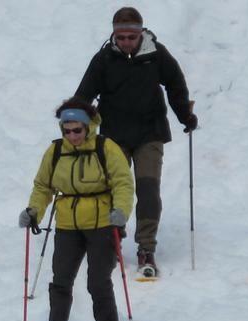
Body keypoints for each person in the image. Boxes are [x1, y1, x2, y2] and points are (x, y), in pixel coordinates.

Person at [75, 6, 198, 276]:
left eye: (131, 37)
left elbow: (175, 85)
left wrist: (185, 115)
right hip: (114, 135)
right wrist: (74, 119)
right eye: (121, 37)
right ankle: (113, 238)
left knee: (148, 189)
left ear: (141, 33)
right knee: (114, 189)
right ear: (114, 35)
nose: (126, 42)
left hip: (149, 133)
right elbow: (84, 94)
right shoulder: (104, 59)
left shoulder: (156, 55)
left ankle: (146, 247)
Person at [19, 97, 134, 321]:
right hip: (67, 225)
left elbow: (123, 183)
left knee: (98, 282)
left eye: (77, 130)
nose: (72, 136)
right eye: (67, 130)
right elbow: (43, 186)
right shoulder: (56, 151)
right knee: (60, 283)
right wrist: (34, 210)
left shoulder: (106, 148)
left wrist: (121, 212)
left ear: (88, 126)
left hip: (102, 224)